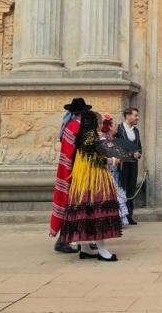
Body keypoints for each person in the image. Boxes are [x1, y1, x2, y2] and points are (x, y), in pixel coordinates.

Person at [58, 111, 124, 262]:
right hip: (94, 179)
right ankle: (102, 250)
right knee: (97, 213)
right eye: (100, 123)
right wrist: (113, 161)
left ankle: (85, 249)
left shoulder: (82, 136)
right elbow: (95, 161)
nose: (101, 126)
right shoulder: (92, 137)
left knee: (86, 214)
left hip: (82, 180)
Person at [50, 97, 90, 254]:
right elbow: (70, 154)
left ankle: (84, 239)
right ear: (81, 113)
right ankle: (63, 241)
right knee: (72, 207)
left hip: (81, 171)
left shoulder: (78, 127)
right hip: (74, 172)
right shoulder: (73, 127)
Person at [99, 115, 130, 227]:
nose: (117, 127)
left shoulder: (111, 141)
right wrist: (114, 160)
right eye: (115, 125)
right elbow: (102, 159)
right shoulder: (103, 141)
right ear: (110, 127)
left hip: (115, 174)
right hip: (106, 174)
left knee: (117, 197)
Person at [114, 107, 142, 224]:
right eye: (135, 115)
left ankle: (129, 215)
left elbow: (139, 146)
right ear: (128, 116)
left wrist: (139, 153)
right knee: (121, 189)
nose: (137, 118)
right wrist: (130, 153)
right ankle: (120, 215)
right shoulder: (119, 129)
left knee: (131, 189)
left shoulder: (136, 130)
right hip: (122, 164)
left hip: (133, 164)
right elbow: (116, 146)